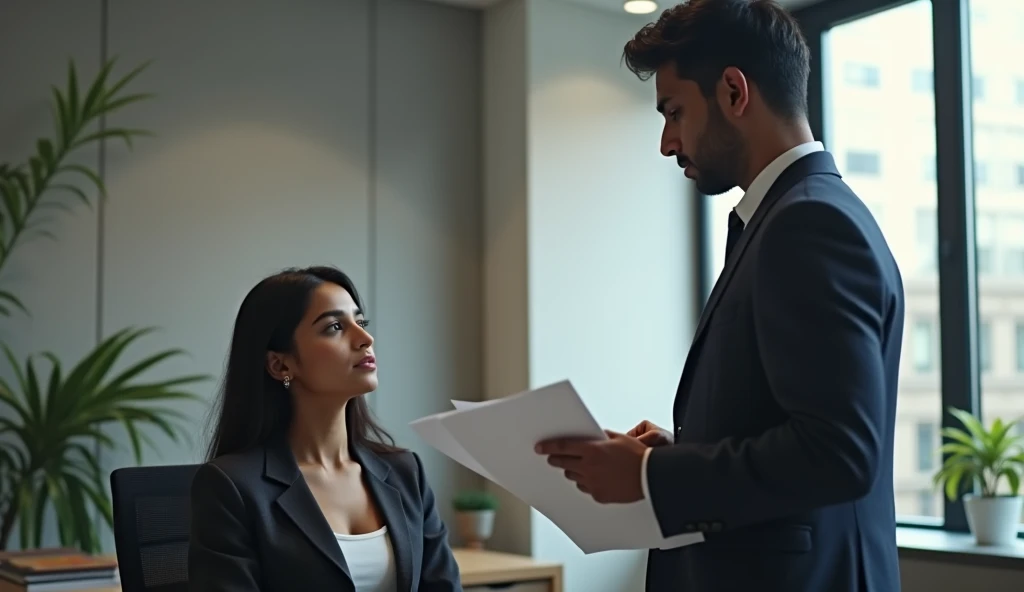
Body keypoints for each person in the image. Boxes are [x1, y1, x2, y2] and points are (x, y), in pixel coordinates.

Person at [535, 1, 904, 591]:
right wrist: (684, 451)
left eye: (674, 112)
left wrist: (655, 474)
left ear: (734, 92)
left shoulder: (807, 224)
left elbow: (840, 452)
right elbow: (799, 423)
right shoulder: (788, 218)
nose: (666, 142)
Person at [188, 266, 462, 592]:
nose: (365, 339)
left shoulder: (405, 473)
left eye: (360, 323)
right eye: (334, 327)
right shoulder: (232, 487)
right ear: (280, 364)